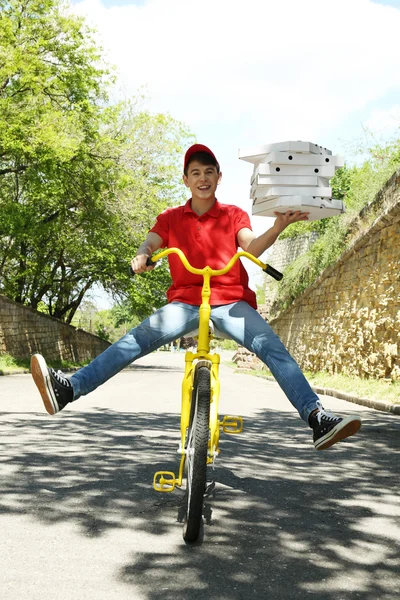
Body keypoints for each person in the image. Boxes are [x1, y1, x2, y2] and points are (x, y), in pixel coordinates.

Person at [31, 143, 361, 450]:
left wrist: (277, 227)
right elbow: (150, 242)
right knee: (134, 340)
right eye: (195, 173)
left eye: (208, 172)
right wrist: (142, 255)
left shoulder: (233, 215)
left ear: (218, 177)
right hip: (186, 303)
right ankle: (69, 389)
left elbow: (251, 246)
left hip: (231, 302)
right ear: (186, 179)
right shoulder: (171, 217)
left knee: (272, 347)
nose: (202, 178)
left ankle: (316, 417)